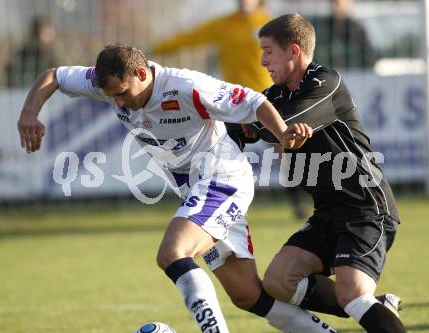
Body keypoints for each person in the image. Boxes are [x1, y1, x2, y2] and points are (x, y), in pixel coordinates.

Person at [17, 44, 338, 333]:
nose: (118, 101)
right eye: (112, 95)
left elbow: (253, 101)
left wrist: (282, 133)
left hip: (221, 179)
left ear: (142, 74)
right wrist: (29, 114)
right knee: (246, 294)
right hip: (197, 190)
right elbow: (53, 76)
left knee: (172, 253)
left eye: (122, 93)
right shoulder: (107, 82)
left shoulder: (186, 87)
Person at [233, 14, 404, 332]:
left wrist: (269, 130)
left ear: (293, 51)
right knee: (278, 282)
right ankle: (379, 308)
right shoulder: (276, 96)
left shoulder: (325, 82)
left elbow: (278, 126)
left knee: (351, 293)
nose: (262, 60)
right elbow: (247, 126)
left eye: (268, 51)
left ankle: (367, 306)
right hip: (328, 212)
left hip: (365, 208)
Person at [153, 0, 308, 219]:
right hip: (233, 104)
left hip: (266, 100)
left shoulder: (270, 23)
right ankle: (224, 207)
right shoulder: (224, 24)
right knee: (224, 154)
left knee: (283, 150)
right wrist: (156, 49)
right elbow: (191, 37)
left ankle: (298, 202)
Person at [312, 0, 376, 69]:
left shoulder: (357, 30)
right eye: (335, 2)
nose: (336, 6)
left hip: (353, 75)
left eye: (338, 3)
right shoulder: (322, 28)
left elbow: (369, 58)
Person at [6, 16, 57, 87]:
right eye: (47, 32)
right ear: (39, 33)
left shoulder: (49, 56)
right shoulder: (23, 54)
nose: (52, 35)